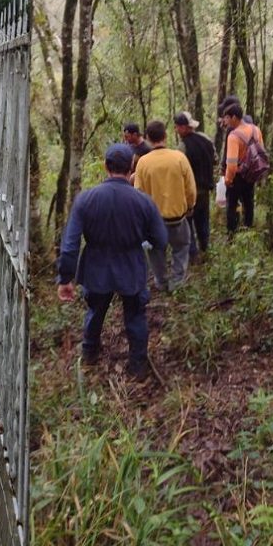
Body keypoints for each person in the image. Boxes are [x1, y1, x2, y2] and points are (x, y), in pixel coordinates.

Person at [57, 143, 167, 381]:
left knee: (95, 311)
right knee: (135, 316)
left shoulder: (86, 199)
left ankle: (89, 353)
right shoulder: (144, 202)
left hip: (97, 268)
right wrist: (141, 238)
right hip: (131, 267)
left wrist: (65, 278)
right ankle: (137, 365)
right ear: (131, 167)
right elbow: (160, 239)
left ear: (106, 167)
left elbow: (70, 244)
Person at [133, 121, 196, 292]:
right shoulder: (179, 158)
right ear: (165, 137)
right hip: (178, 217)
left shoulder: (143, 163)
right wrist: (190, 206)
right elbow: (190, 188)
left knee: (156, 252)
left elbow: (138, 194)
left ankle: (161, 282)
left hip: (154, 220)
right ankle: (177, 283)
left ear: (147, 139)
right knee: (181, 248)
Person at [174, 111, 216, 258]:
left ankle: (193, 255)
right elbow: (215, 159)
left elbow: (178, 171)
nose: (176, 130)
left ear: (184, 127)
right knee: (203, 220)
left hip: (190, 192)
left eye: (178, 127)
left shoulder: (182, 147)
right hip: (206, 189)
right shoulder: (206, 139)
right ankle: (205, 249)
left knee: (188, 224)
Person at [223, 103, 264, 234]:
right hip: (252, 174)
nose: (226, 121)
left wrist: (228, 179)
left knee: (232, 206)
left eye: (227, 118)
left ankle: (231, 235)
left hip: (238, 176)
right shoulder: (256, 130)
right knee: (249, 203)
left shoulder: (233, 136)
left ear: (234, 117)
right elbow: (261, 151)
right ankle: (248, 232)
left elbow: (232, 164)